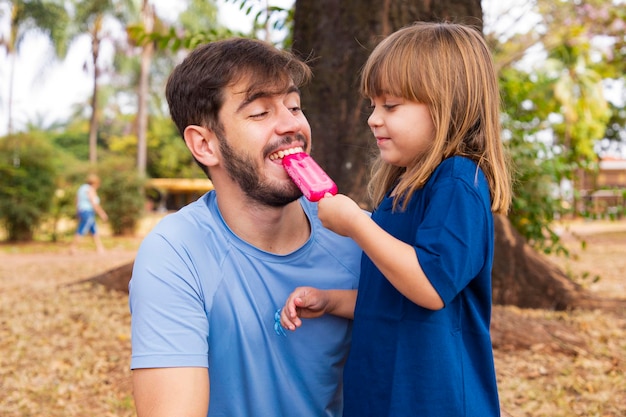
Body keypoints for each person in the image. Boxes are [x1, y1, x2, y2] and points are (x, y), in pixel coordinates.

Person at [280, 22, 513, 416]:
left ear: (446, 106)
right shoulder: (403, 190)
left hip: (433, 399)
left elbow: (430, 287)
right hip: (384, 391)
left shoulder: (458, 181)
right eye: (373, 105)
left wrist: (357, 223)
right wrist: (331, 301)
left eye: (390, 106)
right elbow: (397, 294)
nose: (373, 118)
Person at [128, 37, 361, 417]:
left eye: (294, 106)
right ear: (205, 144)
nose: (291, 125)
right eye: (259, 113)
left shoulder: (359, 239)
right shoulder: (175, 254)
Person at [70, 173, 108, 254]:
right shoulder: (90, 189)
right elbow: (93, 202)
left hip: (82, 211)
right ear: (95, 183)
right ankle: (73, 248)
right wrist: (101, 213)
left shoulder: (81, 188)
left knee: (94, 230)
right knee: (82, 229)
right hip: (88, 212)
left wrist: (78, 211)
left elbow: (77, 200)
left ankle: (100, 248)